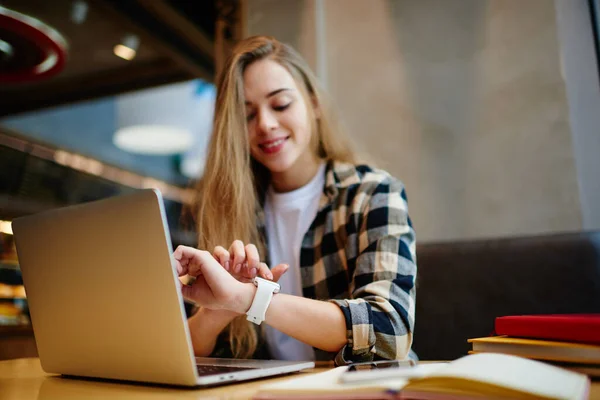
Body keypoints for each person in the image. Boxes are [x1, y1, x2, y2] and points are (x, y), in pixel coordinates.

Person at [173, 35, 417, 364]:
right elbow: (185, 354)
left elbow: (389, 332)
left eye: (281, 104)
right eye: (247, 116)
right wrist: (221, 306)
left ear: (314, 103)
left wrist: (250, 299)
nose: (266, 125)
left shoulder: (372, 193)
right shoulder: (233, 212)